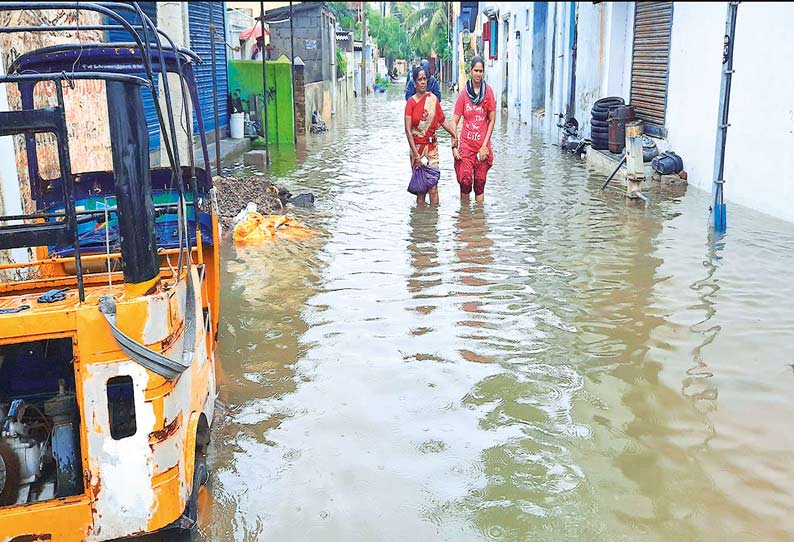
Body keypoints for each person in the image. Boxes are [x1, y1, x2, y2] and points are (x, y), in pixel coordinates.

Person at [404, 64, 458, 206]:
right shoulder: (410, 103)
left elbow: (442, 120)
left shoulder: (433, 99)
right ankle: (422, 225)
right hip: (417, 148)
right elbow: (408, 130)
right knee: (421, 189)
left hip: (432, 147)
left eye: (425, 79)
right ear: (414, 83)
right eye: (420, 79)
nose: (423, 82)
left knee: (433, 187)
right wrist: (415, 154)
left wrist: (454, 134)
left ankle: (433, 225)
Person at [452, 56, 496, 203]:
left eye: (481, 71)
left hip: (482, 146)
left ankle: (478, 221)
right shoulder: (463, 94)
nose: (478, 74)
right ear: (470, 71)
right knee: (465, 182)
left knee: (479, 182)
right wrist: (454, 145)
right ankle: (465, 218)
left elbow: (492, 120)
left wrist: (484, 146)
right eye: (476, 71)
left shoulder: (488, 92)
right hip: (466, 146)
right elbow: (454, 121)